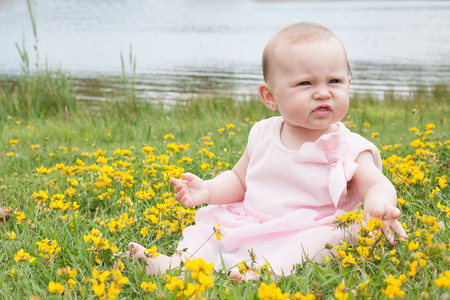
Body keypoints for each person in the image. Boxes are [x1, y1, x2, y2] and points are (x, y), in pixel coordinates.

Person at [128, 22, 408, 280]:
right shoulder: (263, 133)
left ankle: (265, 272)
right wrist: (208, 191)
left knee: (322, 240)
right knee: (208, 231)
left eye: (334, 81)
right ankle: (179, 264)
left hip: (312, 226)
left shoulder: (349, 146)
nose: (323, 93)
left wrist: (378, 205)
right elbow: (240, 180)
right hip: (253, 219)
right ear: (270, 97)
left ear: (348, 84)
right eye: (305, 83)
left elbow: (376, 184)